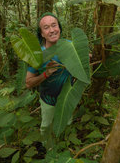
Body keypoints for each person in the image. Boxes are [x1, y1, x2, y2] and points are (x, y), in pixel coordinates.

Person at [26, 12, 71, 148]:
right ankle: (48, 148)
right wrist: (46, 73)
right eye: (46, 27)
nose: (51, 30)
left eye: (54, 25)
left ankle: (64, 146)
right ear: (42, 34)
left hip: (67, 98)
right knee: (46, 126)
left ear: (59, 28)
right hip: (48, 100)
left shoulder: (70, 46)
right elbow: (28, 83)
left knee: (66, 124)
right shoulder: (39, 55)